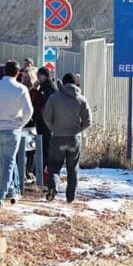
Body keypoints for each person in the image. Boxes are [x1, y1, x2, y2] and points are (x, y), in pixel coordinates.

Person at [0, 61, 33, 208]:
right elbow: (28, 111)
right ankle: (1, 195)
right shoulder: (21, 89)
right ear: (17, 73)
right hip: (13, 129)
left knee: (1, 160)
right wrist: (20, 123)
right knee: (8, 161)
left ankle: (11, 192)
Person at [42, 72, 92, 203]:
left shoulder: (54, 98)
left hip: (58, 137)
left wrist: (53, 128)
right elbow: (88, 121)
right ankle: (70, 196)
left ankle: (53, 187)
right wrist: (78, 129)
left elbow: (46, 116)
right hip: (74, 139)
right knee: (72, 168)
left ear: (62, 83)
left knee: (54, 166)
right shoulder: (81, 99)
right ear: (75, 83)